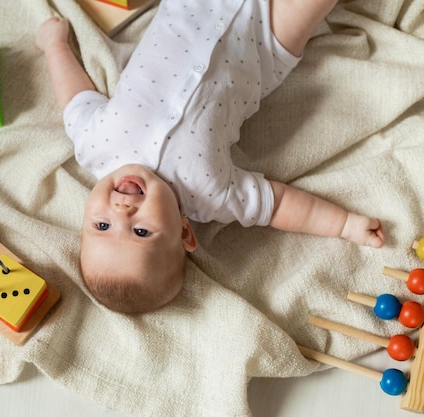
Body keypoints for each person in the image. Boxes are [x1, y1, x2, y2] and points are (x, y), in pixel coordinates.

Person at [35, 0, 385, 314]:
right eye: (141, 231)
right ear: (185, 232)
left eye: (101, 226)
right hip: (265, 43)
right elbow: (277, 206)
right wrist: (343, 225)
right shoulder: (210, 195)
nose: (122, 213)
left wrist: (54, 46)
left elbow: (75, 97)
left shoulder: (93, 145)